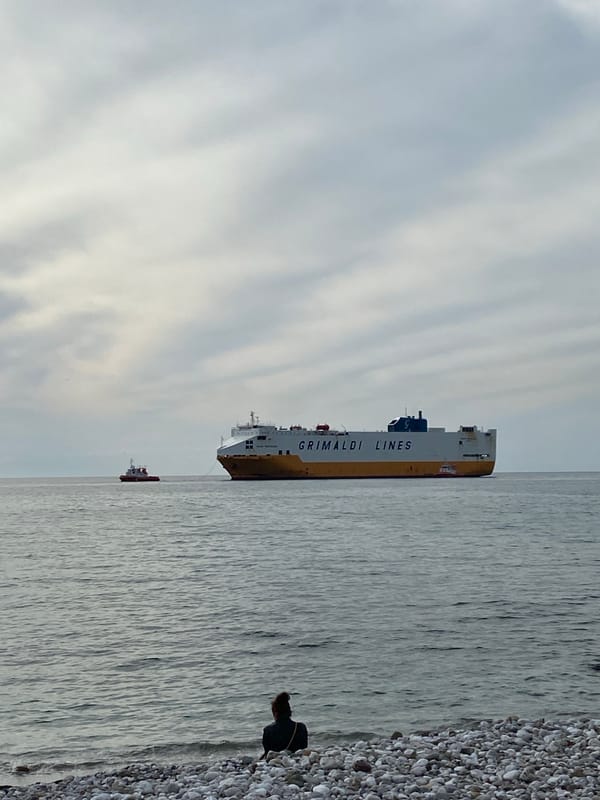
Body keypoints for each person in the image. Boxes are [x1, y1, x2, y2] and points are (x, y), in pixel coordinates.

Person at [261, 691, 308, 757]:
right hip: (297, 759)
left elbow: (267, 752)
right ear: (289, 711)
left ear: (275, 713)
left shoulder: (268, 730)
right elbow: (304, 747)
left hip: (277, 761)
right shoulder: (301, 727)